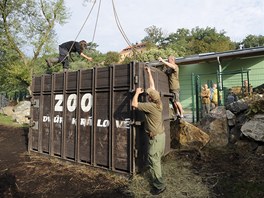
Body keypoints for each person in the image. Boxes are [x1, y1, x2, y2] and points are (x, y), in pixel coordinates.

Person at [132, 67, 166, 195]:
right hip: (161, 136)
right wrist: (149, 72)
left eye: (147, 95)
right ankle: (159, 179)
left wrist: (137, 93)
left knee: (153, 160)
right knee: (156, 159)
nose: (147, 95)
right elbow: (152, 86)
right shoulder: (158, 102)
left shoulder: (150, 107)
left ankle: (159, 185)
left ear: (150, 98)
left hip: (155, 138)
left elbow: (134, 105)